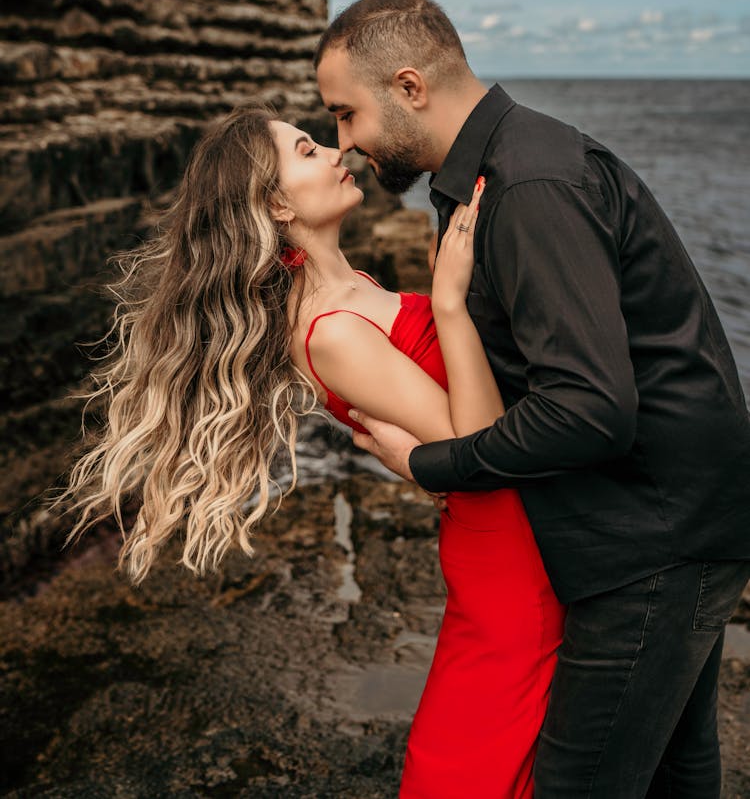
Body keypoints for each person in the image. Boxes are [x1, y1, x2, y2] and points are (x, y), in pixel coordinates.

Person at [315, 0, 750, 799]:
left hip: (653, 539)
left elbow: (591, 407)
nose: (345, 143)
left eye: (347, 114)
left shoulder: (528, 184)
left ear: (410, 87)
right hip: (678, 518)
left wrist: (434, 462)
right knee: (675, 770)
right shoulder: (491, 174)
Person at [62, 106, 564, 798]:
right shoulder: (328, 331)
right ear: (275, 202)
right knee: (473, 764)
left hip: (518, 535)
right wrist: (448, 302)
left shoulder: (348, 283)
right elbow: (478, 448)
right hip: (505, 553)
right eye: (307, 149)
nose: (335, 152)